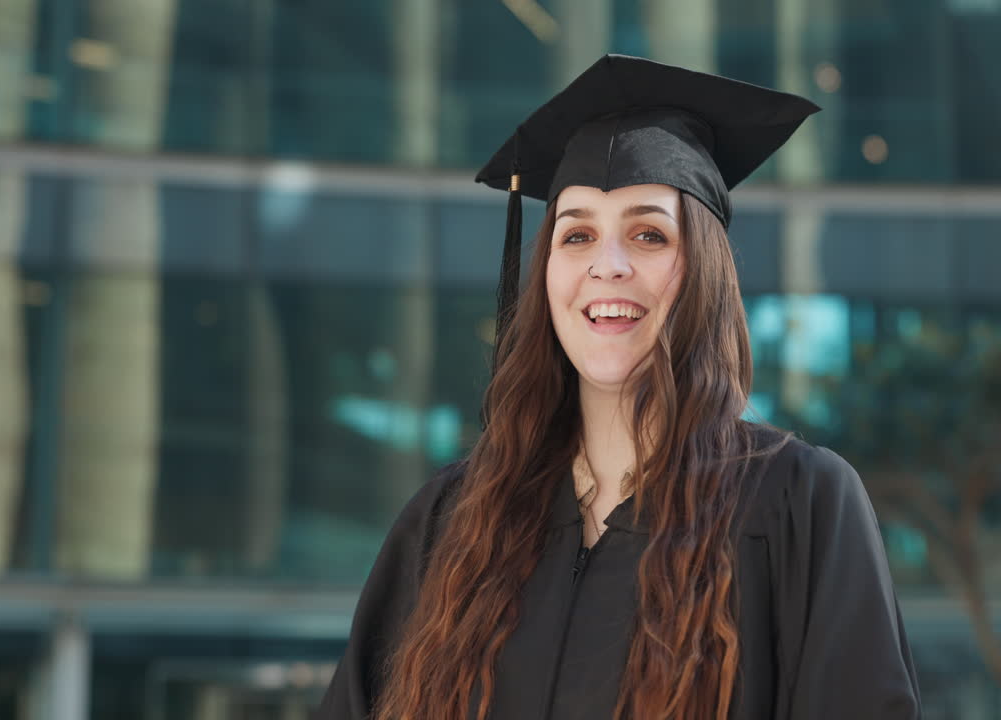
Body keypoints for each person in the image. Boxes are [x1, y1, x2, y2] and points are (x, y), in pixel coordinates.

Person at [317, 54, 922, 720]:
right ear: (546, 273)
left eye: (648, 234)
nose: (607, 265)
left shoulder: (795, 506)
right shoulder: (451, 521)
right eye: (577, 234)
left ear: (704, 272)